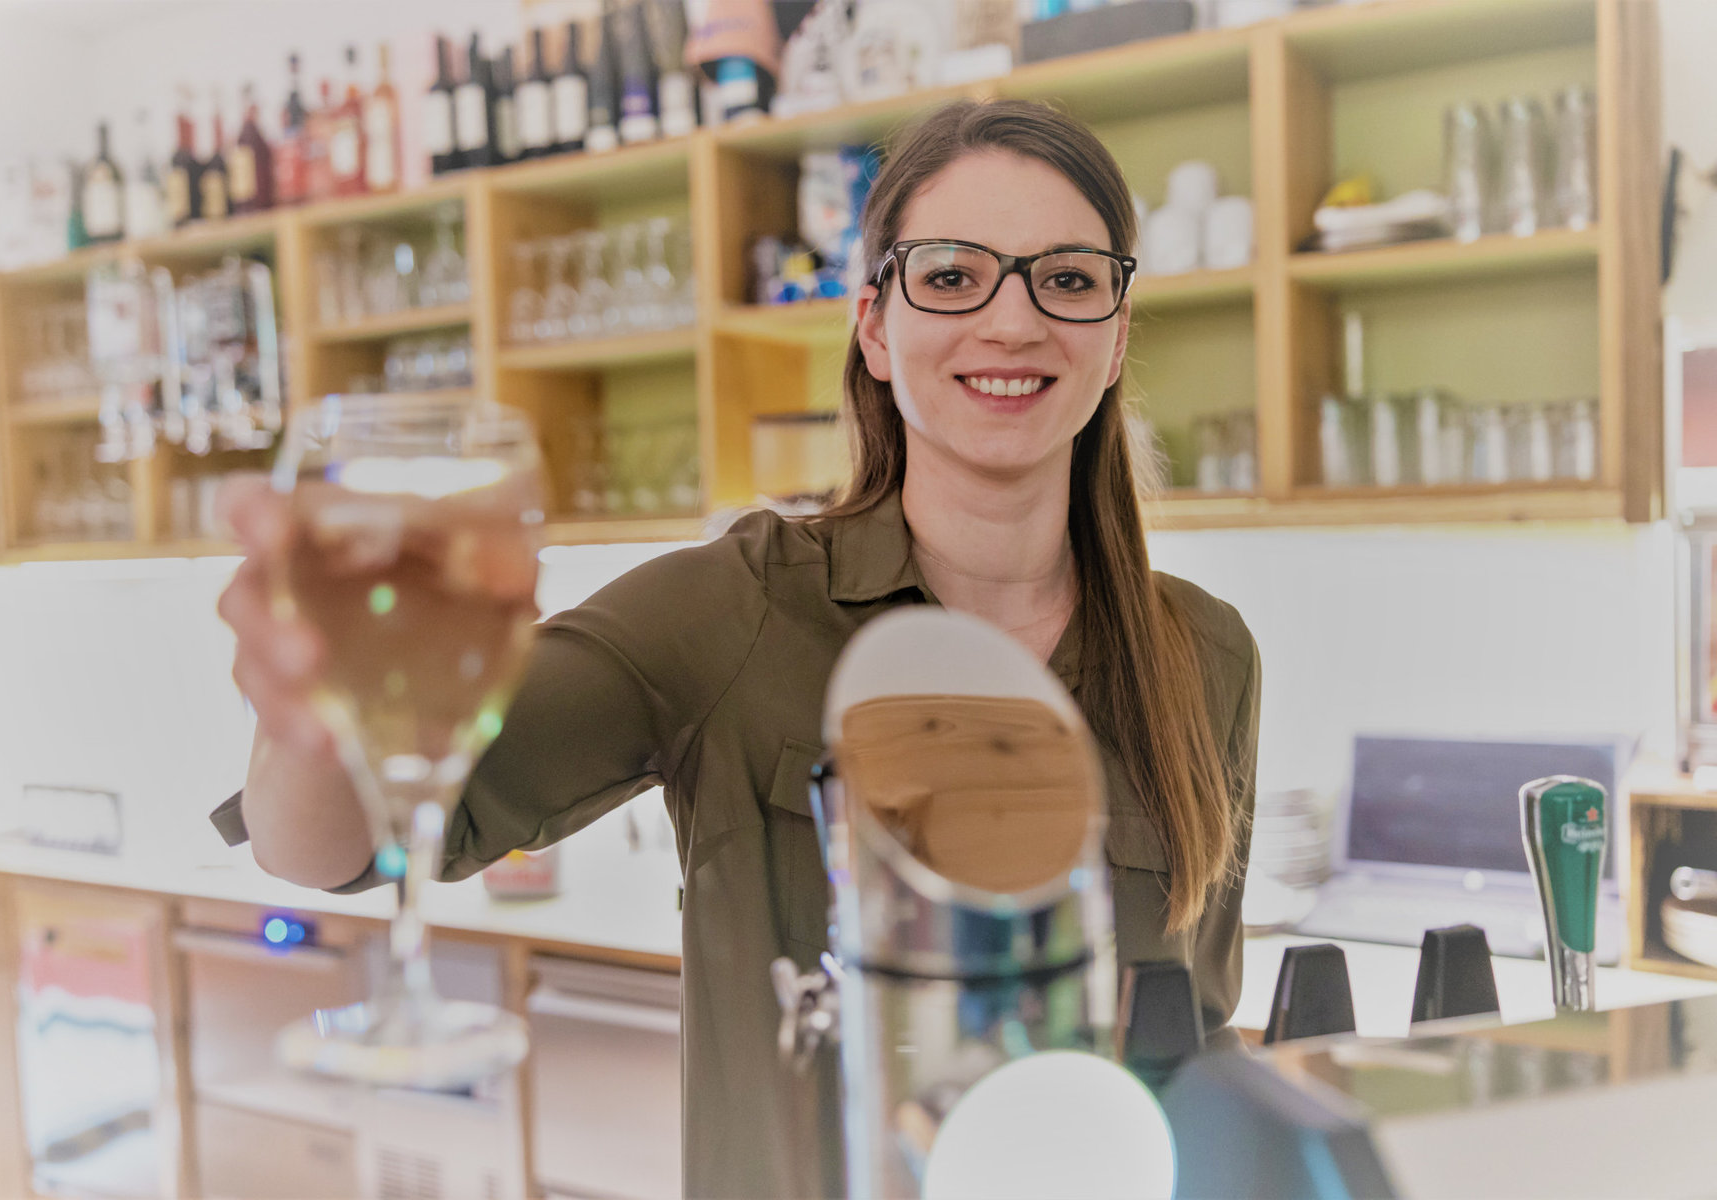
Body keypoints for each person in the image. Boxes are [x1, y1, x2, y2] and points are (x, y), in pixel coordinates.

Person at [214, 98, 1260, 1199]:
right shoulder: (730, 608)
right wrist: (314, 700)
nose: (1012, 322)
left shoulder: (1205, 653)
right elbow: (324, 846)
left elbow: (1199, 1030)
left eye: (1069, 278)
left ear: (1116, 335)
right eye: (952, 276)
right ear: (874, 326)